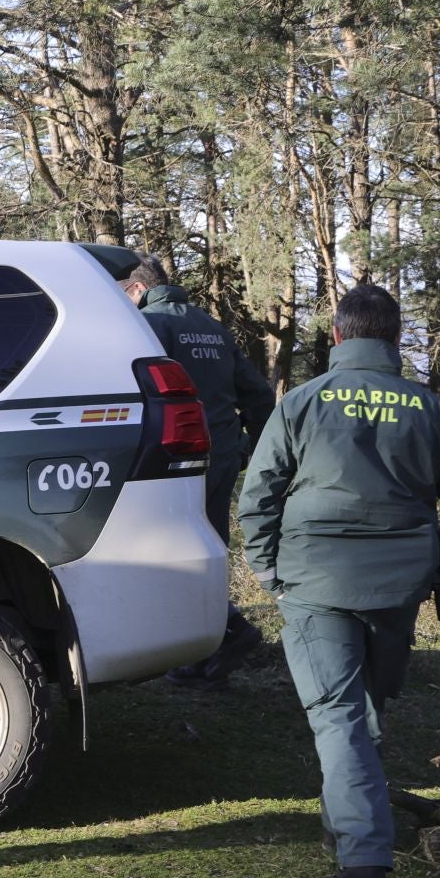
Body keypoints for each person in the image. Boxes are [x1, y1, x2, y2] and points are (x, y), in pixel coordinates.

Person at [238, 283, 440, 878]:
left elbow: (259, 495)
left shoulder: (301, 401)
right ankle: (346, 826)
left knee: (340, 714)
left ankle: (363, 867)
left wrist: (271, 571)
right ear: (396, 337)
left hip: (314, 578)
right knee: (364, 710)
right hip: (398, 582)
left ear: (337, 336)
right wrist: (438, 559)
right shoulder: (429, 408)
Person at [119, 254, 276, 687]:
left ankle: (221, 636)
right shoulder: (212, 327)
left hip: (172, 459)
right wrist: (252, 450)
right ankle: (214, 648)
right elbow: (259, 396)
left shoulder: (145, 326)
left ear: (138, 289)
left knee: (170, 551)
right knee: (208, 547)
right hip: (220, 455)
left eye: (123, 294)